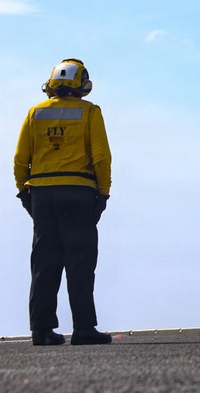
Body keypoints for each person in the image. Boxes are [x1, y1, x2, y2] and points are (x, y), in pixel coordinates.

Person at [14, 59, 113, 346]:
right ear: (82, 85)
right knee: (80, 262)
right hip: (78, 192)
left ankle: (42, 331)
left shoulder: (35, 113)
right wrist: (103, 193)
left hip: (42, 194)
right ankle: (83, 329)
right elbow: (101, 157)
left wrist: (24, 192)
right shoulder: (90, 112)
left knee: (44, 263)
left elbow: (21, 159)